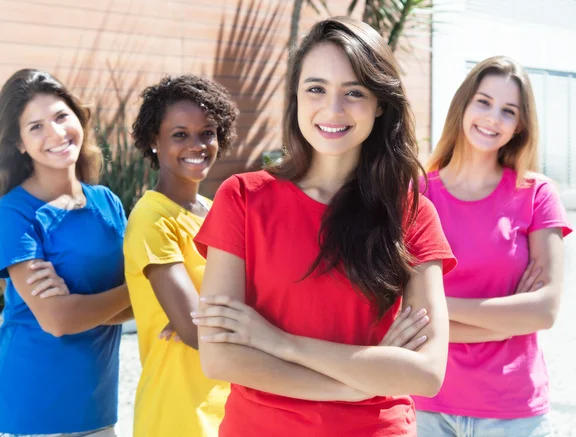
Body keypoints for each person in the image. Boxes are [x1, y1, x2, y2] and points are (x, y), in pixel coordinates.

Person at [191, 17, 457, 437]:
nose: (333, 109)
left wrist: (278, 342)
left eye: (354, 93)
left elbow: (425, 372)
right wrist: (356, 383)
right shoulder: (242, 198)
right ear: (296, 96)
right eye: (316, 88)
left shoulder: (411, 215)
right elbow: (221, 357)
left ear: (380, 104)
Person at [413, 56, 572, 437]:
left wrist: (438, 308)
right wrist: (501, 326)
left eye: (508, 111)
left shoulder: (536, 194)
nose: (492, 118)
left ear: (520, 126)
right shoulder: (418, 193)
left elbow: (544, 311)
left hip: (514, 411)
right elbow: (401, 311)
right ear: (464, 105)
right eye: (483, 102)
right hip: (426, 405)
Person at [0, 69, 131, 437]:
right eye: (36, 127)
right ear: (18, 144)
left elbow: (127, 309)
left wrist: (82, 305)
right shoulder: (14, 215)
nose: (56, 134)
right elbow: (58, 321)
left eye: (61, 116)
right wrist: (137, 288)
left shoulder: (107, 203)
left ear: (78, 117)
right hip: (31, 412)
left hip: (95, 408)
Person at [123, 74, 238, 437]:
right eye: (179, 134)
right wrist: (210, 317)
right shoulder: (151, 218)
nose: (197, 144)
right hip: (178, 414)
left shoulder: (215, 209)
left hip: (230, 406)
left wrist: (216, 314)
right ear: (153, 141)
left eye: (207, 132)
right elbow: (194, 331)